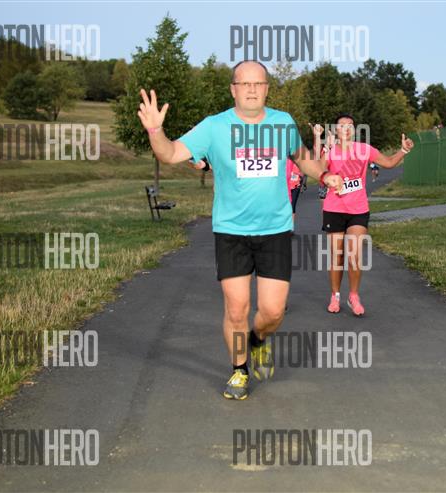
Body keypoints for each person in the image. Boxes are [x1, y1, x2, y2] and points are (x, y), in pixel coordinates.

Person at [137, 60, 343, 400]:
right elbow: (171, 154)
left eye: (258, 83)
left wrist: (323, 174)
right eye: (244, 83)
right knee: (236, 309)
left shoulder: (282, 122)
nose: (251, 89)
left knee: (272, 312)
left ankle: (258, 340)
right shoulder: (213, 127)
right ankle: (239, 370)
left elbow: (303, 158)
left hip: (275, 229)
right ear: (233, 89)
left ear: (266, 89)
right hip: (231, 231)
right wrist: (155, 132)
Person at [316, 114, 413, 316]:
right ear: (335, 130)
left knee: (354, 254)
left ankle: (354, 296)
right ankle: (335, 295)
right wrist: (327, 173)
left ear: (354, 130)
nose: (346, 128)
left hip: (358, 210)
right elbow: (318, 172)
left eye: (350, 125)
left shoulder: (364, 149)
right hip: (334, 209)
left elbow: (388, 163)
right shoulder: (331, 152)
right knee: (337, 256)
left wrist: (403, 150)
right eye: (341, 126)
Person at [287, 157, 304, 224]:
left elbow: (303, 173)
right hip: (286, 186)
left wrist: (302, 183)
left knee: (292, 205)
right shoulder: (285, 161)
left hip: (296, 186)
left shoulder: (299, 161)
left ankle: (291, 226)